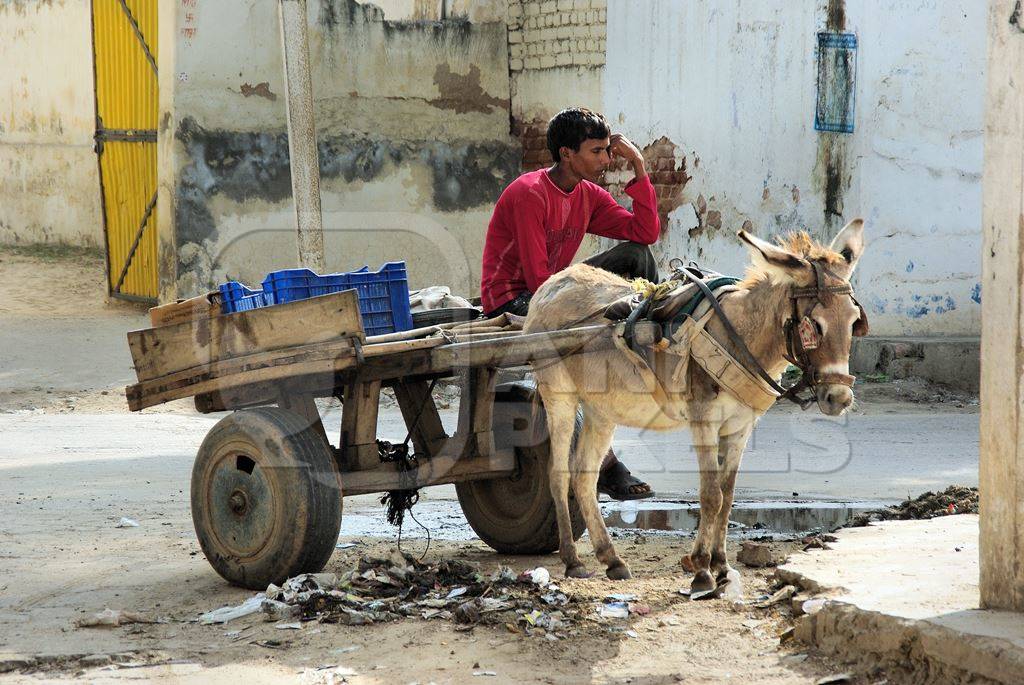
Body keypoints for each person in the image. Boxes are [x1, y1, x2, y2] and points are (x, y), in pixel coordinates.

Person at [480, 107, 659, 500]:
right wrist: (592, 310)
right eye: (596, 152)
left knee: (637, 256)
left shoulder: (588, 195)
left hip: (555, 292)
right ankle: (606, 463)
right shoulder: (530, 194)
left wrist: (640, 167)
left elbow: (644, 232)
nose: (606, 160)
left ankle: (643, 344)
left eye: (607, 152)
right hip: (515, 299)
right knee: (590, 345)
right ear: (566, 153)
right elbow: (538, 281)